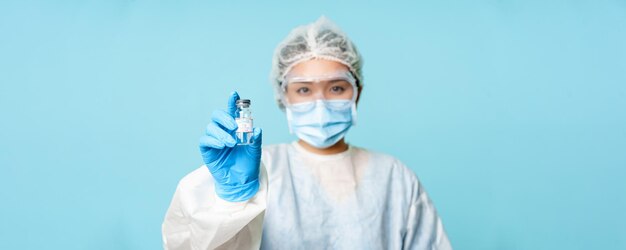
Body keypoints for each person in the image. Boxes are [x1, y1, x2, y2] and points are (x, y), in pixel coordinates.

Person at [162, 16, 452, 250]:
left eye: (336, 87)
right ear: (283, 97)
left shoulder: (394, 178)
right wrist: (231, 201)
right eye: (303, 89)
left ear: (357, 93)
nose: (320, 102)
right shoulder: (259, 171)